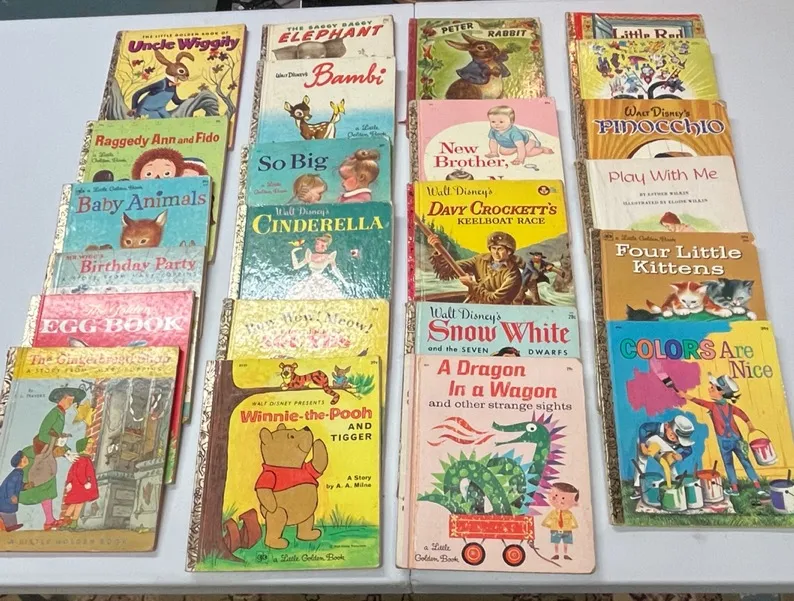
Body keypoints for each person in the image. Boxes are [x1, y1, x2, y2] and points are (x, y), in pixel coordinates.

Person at [678, 373, 770, 499]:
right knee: (745, 462)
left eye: (712, 388)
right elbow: (743, 415)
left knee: (730, 464)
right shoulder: (729, 407)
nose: (709, 389)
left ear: (721, 392)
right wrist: (750, 425)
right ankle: (757, 488)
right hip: (736, 438)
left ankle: (737, 489)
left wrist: (685, 396)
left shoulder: (713, 406)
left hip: (726, 440)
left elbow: (699, 402)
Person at [19, 387, 85, 530]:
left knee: (48, 487)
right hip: (36, 456)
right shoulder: (54, 413)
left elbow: (55, 436)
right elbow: (44, 434)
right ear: (62, 398)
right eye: (69, 400)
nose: (71, 403)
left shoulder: (61, 414)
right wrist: (58, 442)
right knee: (25, 487)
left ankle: (49, 521)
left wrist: (66, 450)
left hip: (46, 456)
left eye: (72, 401)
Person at [426, 231, 523, 305]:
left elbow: (494, 299)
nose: (496, 253)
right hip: (475, 305)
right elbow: (447, 270)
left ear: (509, 251)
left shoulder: (513, 274)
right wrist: (439, 251)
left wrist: (471, 285)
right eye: (493, 248)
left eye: (500, 249)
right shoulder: (480, 259)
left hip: (498, 311)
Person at [631, 415, 695, 500]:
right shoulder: (658, 427)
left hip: (662, 448)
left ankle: (675, 485)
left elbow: (689, 450)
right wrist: (642, 445)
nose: (674, 438)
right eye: (672, 434)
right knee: (641, 462)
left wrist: (681, 455)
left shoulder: (680, 441)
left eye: (678, 438)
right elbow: (643, 428)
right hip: (646, 442)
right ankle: (638, 488)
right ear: (667, 426)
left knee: (670, 463)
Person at [484, 105, 554, 166]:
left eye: (501, 122)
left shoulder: (514, 133)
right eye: (493, 121)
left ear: (511, 121)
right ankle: (516, 149)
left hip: (526, 141)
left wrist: (520, 159)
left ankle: (542, 149)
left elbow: (521, 146)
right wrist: (494, 152)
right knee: (503, 151)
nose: (496, 124)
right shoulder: (493, 130)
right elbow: (493, 141)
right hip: (512, 143)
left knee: (527, 153)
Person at [286, 233, 348, 299]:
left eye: (322, 245)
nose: (318, 246)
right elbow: (296, 267)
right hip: (310, 281)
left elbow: (335, 271)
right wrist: (293, 253)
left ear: (326, 247)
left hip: (321, 282)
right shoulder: (310, 255)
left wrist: (344, 281)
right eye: (317, 244)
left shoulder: (329, 257)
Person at [60, 438, 99, 529]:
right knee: (77, 504)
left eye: (91, 447)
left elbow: (71, 472)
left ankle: (69, 523)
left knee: (76, 504)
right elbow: (79, 473)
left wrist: (69, 482)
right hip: (80, 487)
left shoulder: (80, 459)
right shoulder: (83, 460)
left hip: (77, 486)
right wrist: (85, 483)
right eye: (88, 447)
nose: (90, 449)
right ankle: (70, 523)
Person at [541, 482, 580, 561]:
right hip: (555, 529)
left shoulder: (569, 514)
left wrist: (572, 527)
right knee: (556, 543)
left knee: (566, 543)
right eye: (555, 496)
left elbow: (574, 522)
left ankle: (565, 554)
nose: (559, 500)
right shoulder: (553, 513)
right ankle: (556, 554)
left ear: (574, 503)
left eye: (563, 498)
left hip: (567, 530)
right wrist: (549, 526)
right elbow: (546, 521)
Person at [0, 451, 28, 532]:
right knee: (8, 511)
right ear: (21, 461)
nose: (26, 459)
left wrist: (25, 486)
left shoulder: (19, 472)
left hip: (6, 500)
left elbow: (17, 485)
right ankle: (9, 526)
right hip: (5, 499)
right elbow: (10, 485)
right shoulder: (17, 473)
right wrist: (11, 496)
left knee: (11, 511)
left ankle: (11, 526)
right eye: (24, 458)